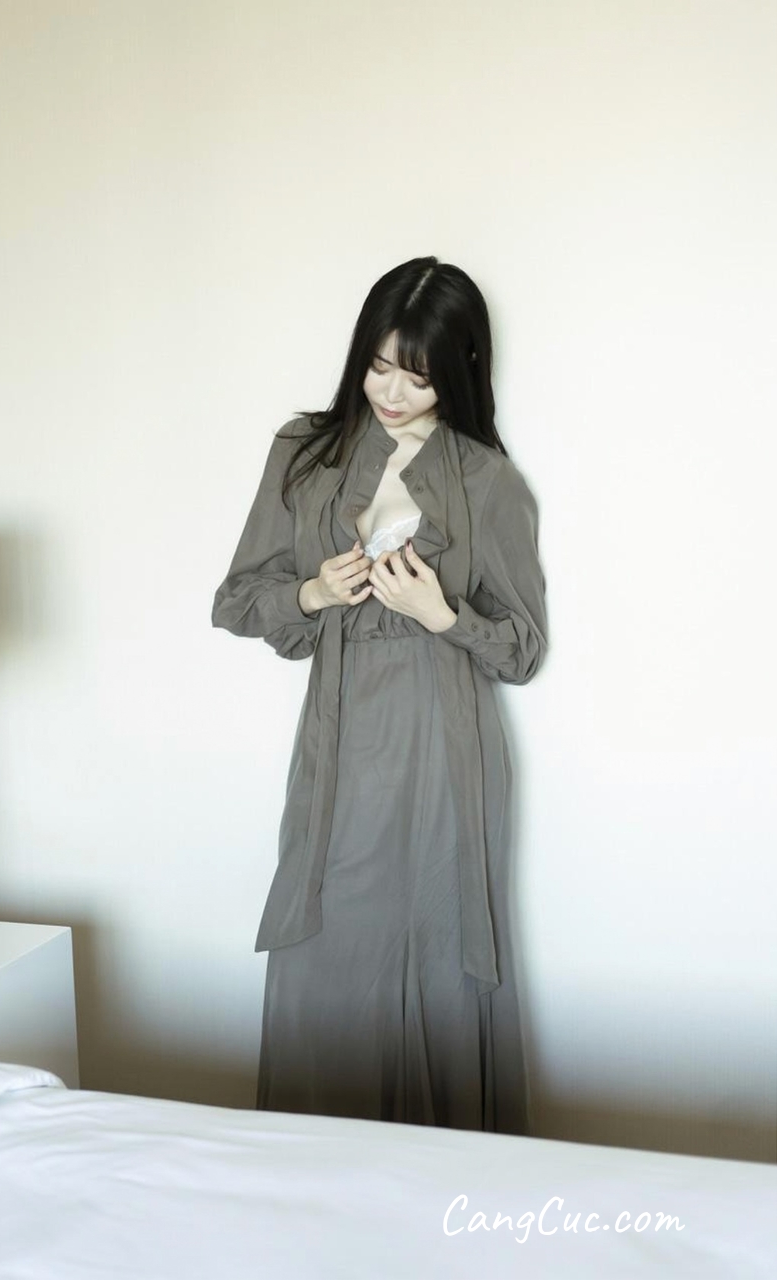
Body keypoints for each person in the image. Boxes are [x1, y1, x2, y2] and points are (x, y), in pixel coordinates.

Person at [212, 257, 547, 1133]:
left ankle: (444, 1176)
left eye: (419, 376)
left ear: (460, 372)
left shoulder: (487, 481)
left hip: (447, 751)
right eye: (379, 366)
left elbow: (522, 650)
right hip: (340, 741)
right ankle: (318, 1172)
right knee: (325, 945)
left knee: (440, 947)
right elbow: (237, 599)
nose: (393, 393)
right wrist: (313, 592)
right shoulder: (306, 452)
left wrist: (443, 615)